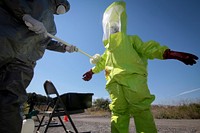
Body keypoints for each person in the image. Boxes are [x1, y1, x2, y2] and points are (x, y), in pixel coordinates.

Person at [82, 1, 198, 133]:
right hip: (114, 85)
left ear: (120, 26)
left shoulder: (131, 40)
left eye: (114, 27)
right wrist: (91, 71)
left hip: (134, 81)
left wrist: (171, 54)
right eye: (110, 28)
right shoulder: (108, 50)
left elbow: (148, 49)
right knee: (119, 113)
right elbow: (102, 63)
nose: (112, 30)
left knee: (141, 111)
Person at [0, 0, 78, 133]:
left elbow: (46, 41)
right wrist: (25, 15)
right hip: (5, 42)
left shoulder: (51, 24)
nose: (63, 8)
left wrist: (65, 47)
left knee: (11, 101)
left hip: (24, 61)